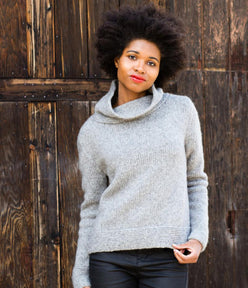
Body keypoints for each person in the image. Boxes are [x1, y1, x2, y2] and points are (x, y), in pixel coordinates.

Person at [72, 4, 208, 288]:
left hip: (168, 255)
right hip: (108, 257)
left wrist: (198, 237)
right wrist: (81, 274)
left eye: (151, 62)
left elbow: (195, 180)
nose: (140, 68)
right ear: (116, 60)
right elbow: (92, 204)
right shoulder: (93, 131)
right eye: (132, 57)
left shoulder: (180, 111)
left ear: (161, 68)